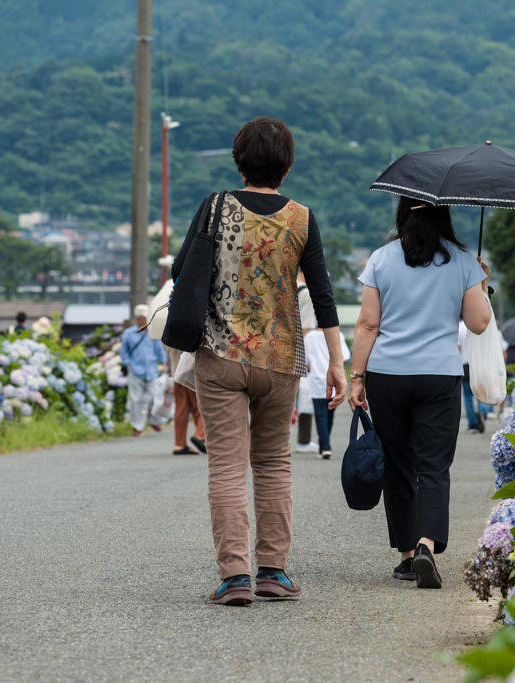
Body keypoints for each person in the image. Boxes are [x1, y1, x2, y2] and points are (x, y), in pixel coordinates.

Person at [172, 116, 347, 606]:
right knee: (272, 464)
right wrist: (338, 363)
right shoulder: (302, 218)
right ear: (287, 165)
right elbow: (324, 294)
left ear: (238, 160)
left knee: (226, 466)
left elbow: (180, 269)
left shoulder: (215, 207)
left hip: (220, 355)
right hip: (280, 358)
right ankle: (273, 570)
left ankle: (234, 578)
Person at [349, 196, 491, 590]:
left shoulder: (381, 258)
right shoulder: (461, 260)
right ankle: (427, 543)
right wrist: (479, 280)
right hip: (438, 376)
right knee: (432, 466)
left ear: (401, 215)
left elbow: (366, 324)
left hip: (387, 374)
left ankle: (407, 557)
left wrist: (356, 378)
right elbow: (478, 323)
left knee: (398, 465)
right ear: (443, 214)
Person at [119, 304, 168, 437]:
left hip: (151, 371)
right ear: (138, 319)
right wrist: (127, 364)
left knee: (154, 397)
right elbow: (123, 351)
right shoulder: (129, 333)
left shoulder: (152, 332)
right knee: (135, 400)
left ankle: (153, 421)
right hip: (135, 371)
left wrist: (163, 362)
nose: (147, 320)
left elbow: (159, 350)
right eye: (145, 318)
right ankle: (138, 426)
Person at [304, 326, 350, 459]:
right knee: (330, 414)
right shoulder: (338, 334)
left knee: (320, 415)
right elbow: (345, 357)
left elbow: (305, 361)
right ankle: (325, 444)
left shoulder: (309, 337)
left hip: (317, 381)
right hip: (334, 380)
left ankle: (324, 446)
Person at [295, 271, 319, 453]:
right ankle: (303, 441)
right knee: (304, 398)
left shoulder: (288, 285)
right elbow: (306, 329)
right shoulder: (306, 293)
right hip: (297, 353)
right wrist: (307, 358)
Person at [167, 347, 206, 455]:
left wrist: (168, 371)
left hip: (177, 374)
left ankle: (179, 444)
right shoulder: (192, 329)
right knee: (201, 405)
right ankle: (200, 435)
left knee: (180, 408)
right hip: (193, 373)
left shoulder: (171, 330)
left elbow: (168, 352)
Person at [458, 318, 491, 434]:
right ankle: (483, 412)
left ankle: (472, 424)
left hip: (466, 365)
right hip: (481, 364)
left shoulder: (459, 327)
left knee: (467, 396)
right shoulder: (482, 325)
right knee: (482, 393)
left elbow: (458, 349)